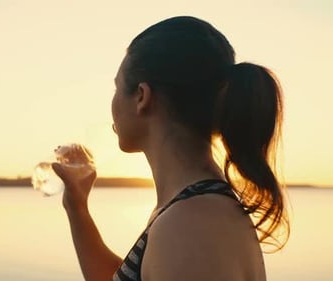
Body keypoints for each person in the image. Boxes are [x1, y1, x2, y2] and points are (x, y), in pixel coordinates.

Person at [52, 16, 289, 281]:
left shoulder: (190, 226)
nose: (113, 100)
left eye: (117, 87)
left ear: (142, 96)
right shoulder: (188, 212)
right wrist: (77, 208)